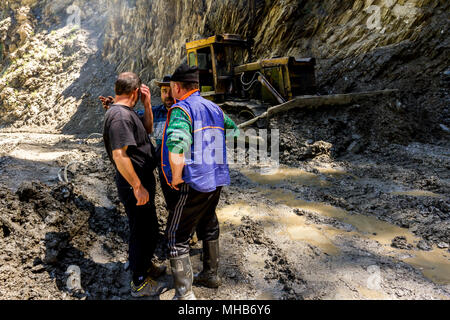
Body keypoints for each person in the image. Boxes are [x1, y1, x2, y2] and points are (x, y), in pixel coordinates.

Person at [161, 63, 239, 300]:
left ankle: (185, 295)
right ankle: (211, 274)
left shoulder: (181, 110)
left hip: (193, 182)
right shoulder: (214, 107)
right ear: (197, 86)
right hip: (216, 179)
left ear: (176, 87)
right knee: (208, 222)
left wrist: (175, 176)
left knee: (176, 237)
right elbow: (233, 128)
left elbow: (176, 146)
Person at [102, 72, 166, 297]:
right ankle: (139, 281)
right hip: (133, 184)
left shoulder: (125, 113)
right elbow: (120, 155)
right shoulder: (120, 117)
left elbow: (147, 130)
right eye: (142, 93)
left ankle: (145, 266)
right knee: (142, 231)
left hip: (139, 180)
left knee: (147, 227)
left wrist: (147, 104)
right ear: (135, 92)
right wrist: (138, 186)